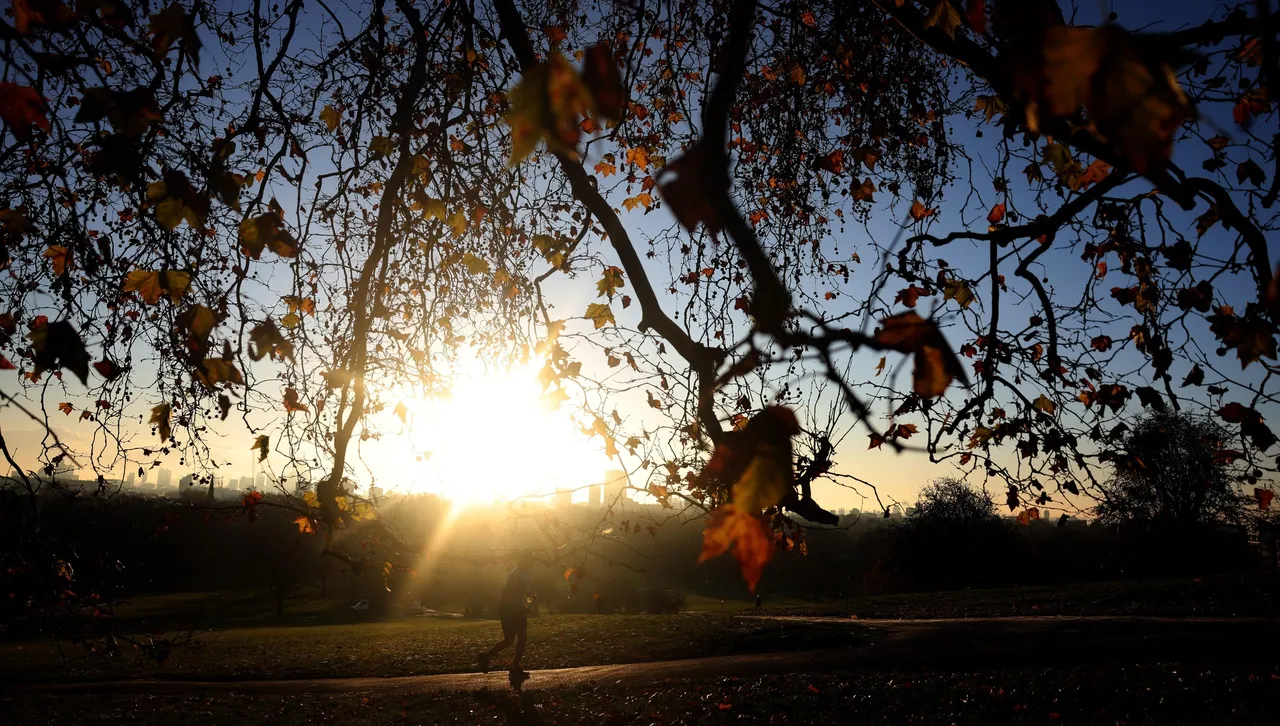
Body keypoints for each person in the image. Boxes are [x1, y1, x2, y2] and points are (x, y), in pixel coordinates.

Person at [479, 554, 535, 677]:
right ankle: (512, 665)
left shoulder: (522, 572)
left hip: (511, 609)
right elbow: (508, 591)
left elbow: (516, 590)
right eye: (531, 560)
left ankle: (489, 658)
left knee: (513, 639)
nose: (533, 563)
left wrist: (526, 594)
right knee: (516, 639)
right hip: (511, 609)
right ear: (526, 560)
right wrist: (522, 604)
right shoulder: (517, 573)